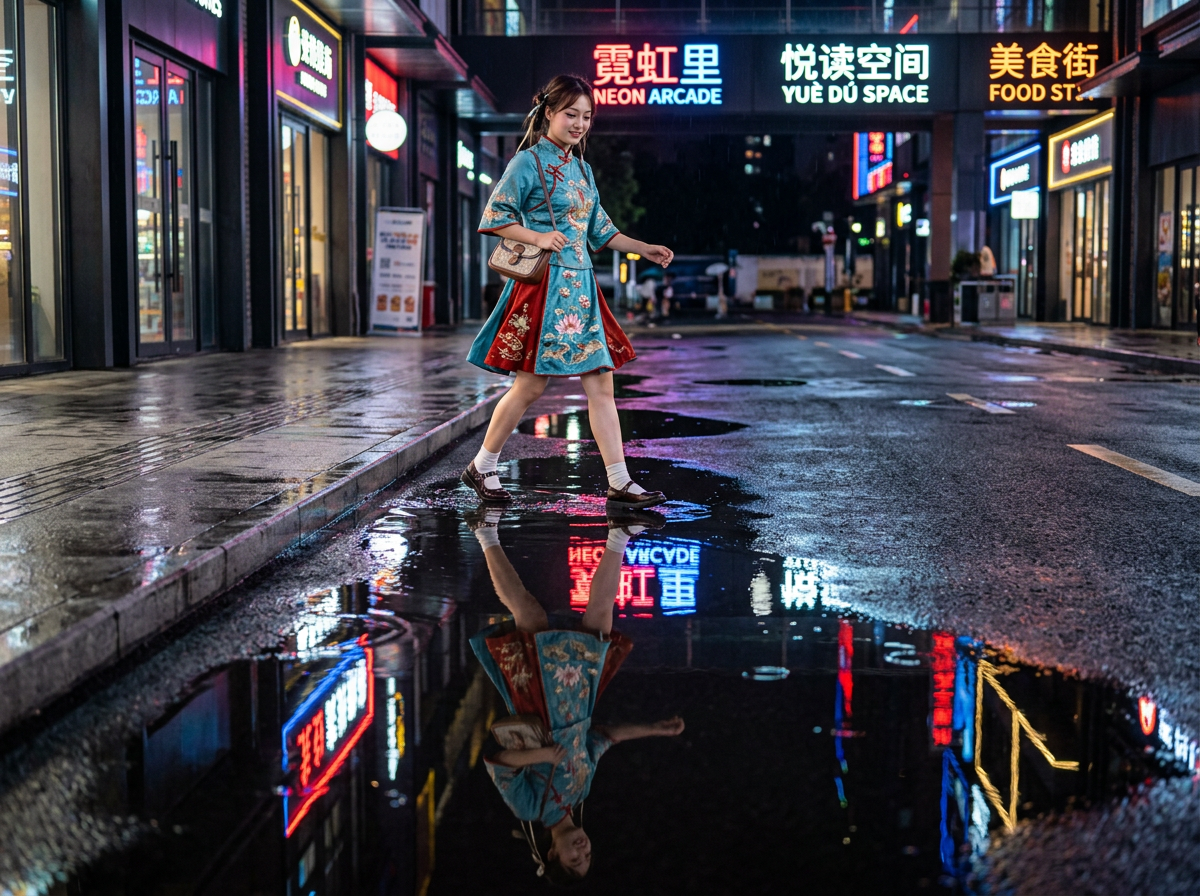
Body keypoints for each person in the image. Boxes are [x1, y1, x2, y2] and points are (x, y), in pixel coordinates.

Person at [462, 74, 674, 511]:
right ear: (548, 115)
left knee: (601, 383)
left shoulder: (582, 169)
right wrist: (538, 237)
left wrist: (643, 248)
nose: (579, 124)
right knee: (529, 388)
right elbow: (495, 216)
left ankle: (619, 480)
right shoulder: (527, 163)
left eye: (587, 117)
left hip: (580, 287)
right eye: (571, 115)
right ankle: (483, 465)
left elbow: (599, 229)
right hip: (543, 287)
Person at [468, 509, 686, 883]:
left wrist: (542, 755)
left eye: (573, 860)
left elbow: (499, 761)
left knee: (530, 614)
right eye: (587, 857)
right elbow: (603, 738)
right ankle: (620, 534)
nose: (583, 850)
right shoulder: (580, 792)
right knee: (601, 621)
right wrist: (657, 730)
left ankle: (485, 533)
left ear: (552, 853)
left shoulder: (530, 809)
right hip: (580, 699)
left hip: (539, 702)